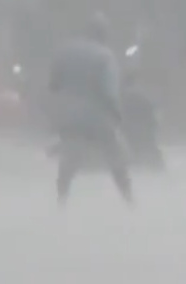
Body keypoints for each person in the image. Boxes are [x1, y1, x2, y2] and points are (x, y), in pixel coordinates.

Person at [46, 12, 132, 204]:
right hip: (97, 117)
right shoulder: (105, 56)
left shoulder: (65, 51)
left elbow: (53, 85)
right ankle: (129, 199)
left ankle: (61, 200)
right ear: (104, 34)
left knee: (69, 158)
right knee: (116, 155)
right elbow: (109, 91)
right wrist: (117, 116)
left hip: (67, 114)